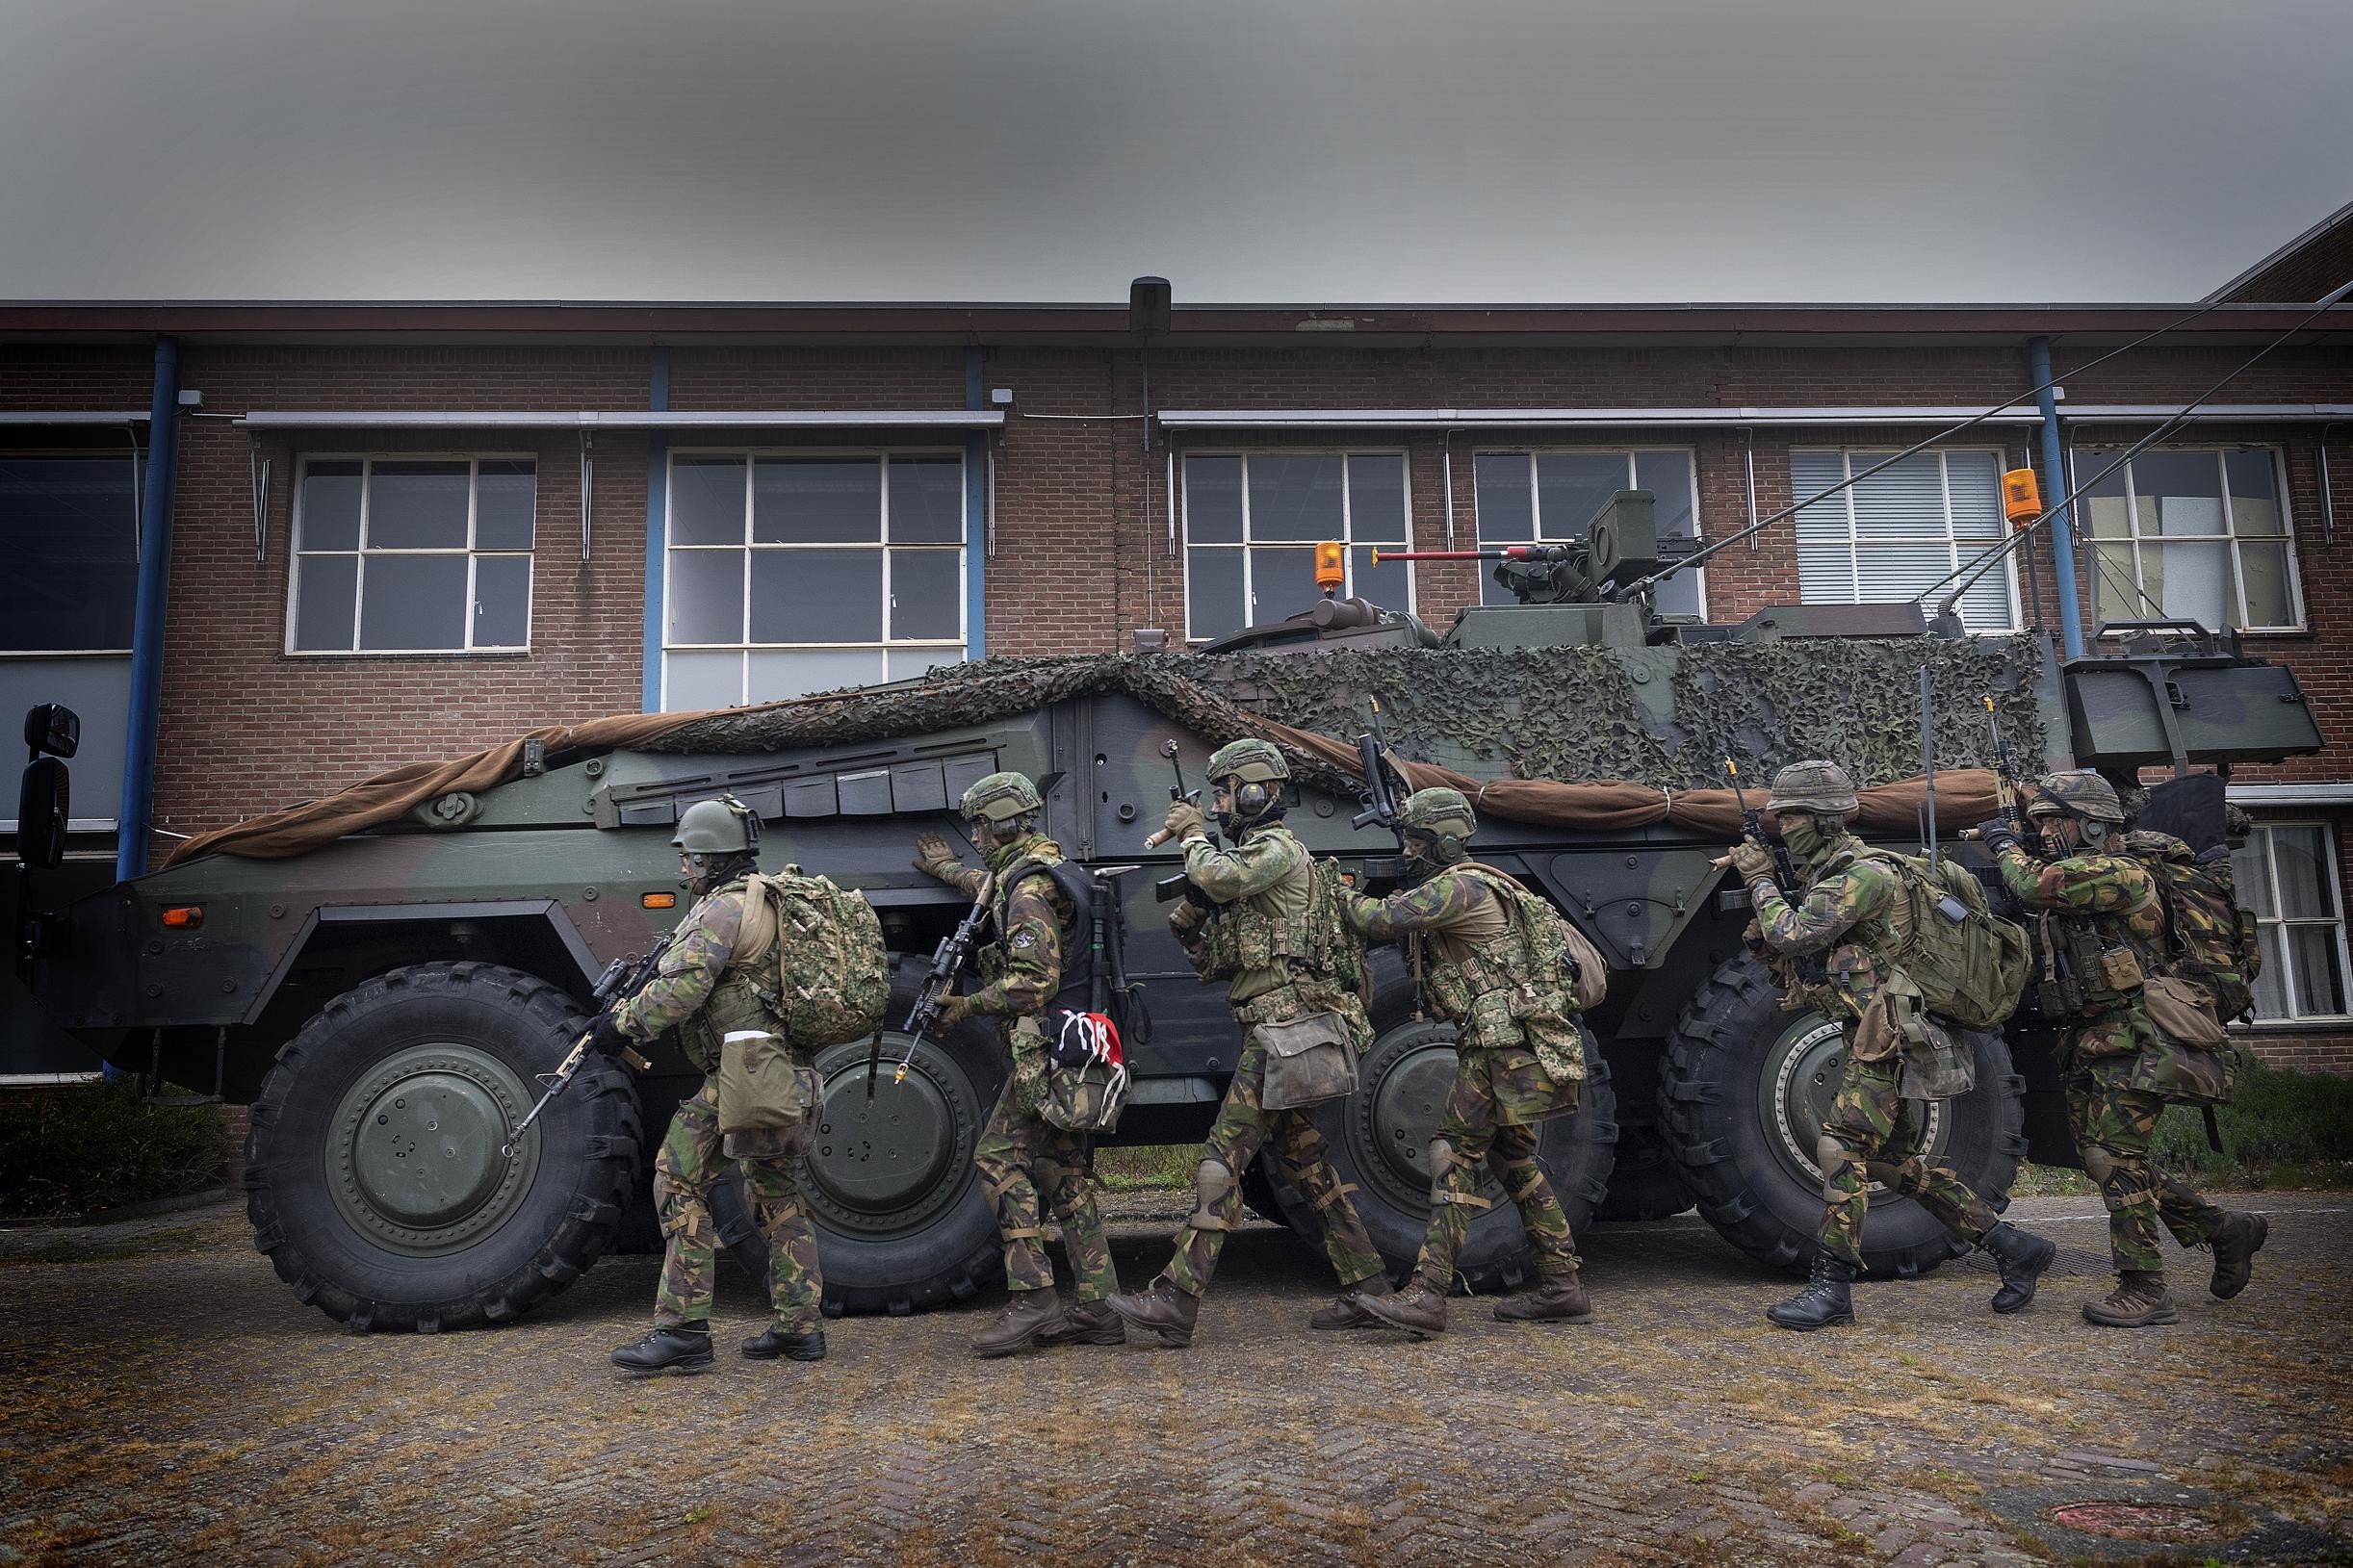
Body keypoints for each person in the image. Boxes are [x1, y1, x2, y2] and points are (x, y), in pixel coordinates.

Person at [1731, 759, 2055, 1331]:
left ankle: (1831, 1289)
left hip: (1894, 1039)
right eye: (1779, 817)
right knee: (1892, 1163)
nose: (1784, 827)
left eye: (1794, 815)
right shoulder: (1832, 876)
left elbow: (1794, 932)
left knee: (1837, 1147)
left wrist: (1759, 879)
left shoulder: (1864, 876)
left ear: (1827, 820)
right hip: (1881, 1035)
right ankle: (2012, 1246)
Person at [1105, 738, 1389, 1346]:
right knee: (1307, 1165)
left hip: (1284, 1030)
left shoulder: (1277, 850)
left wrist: (1190, 833)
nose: (1217, 803)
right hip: (1275, 1030)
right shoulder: (1258, 866)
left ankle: (1177, 1299)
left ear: (1255, 792)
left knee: (1220, 1160)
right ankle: (1370, 1288)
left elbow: (1218, 873)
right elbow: (1216, 962)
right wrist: (1190, 926)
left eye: (1224, 791)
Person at [1981, 770, 2267, 1326]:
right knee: (2101, 1159)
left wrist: (2004, 844)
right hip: (2098, 1038)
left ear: (2092, 826)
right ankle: (2224, 1229)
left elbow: (2033, 885)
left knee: (2115, 1158)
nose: (2044, 832)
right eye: (2038, 822)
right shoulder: (2085, 869)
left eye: (2054, 821)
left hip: (2140, 1036)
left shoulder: (2119, 873)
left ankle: (2144, 1288)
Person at [1334, 787, 1591, 1335]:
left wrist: (1337, 890)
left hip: (1496, 1043)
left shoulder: (1460, 886)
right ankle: (1562, 1284)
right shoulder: (1475, 883)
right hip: (1503, 1038)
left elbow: (1379, 920)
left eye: (1417, 841)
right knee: (1513, 1160)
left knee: (1451, 1151)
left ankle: (1428, 1294)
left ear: (1445, 841)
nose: (1408, 852)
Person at [598, 795, 826, 1374]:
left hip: (744, 1075)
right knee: (776, 1193)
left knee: (676, 1177)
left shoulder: (723, 910)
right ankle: (800, 1328)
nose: (682, 868)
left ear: (710, 859)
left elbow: (681, 990)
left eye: (689, 858)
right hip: (785, 1071)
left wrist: (620, 1026)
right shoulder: (767, 898)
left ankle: (682, 1329)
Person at [913, 771, 1124, 1357]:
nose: (975, 836)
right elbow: (990, 882)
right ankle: (1099, 1307)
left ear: (1002, 822)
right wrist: (946, 868)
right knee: (1060, 1172)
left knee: (997, 1160)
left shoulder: (1027, 893)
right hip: (1072, 1046)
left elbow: (1034, 983)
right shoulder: (1046, 869)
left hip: (1044, 1049)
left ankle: (1033, 1300)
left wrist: (965, 1006)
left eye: (979, 825)